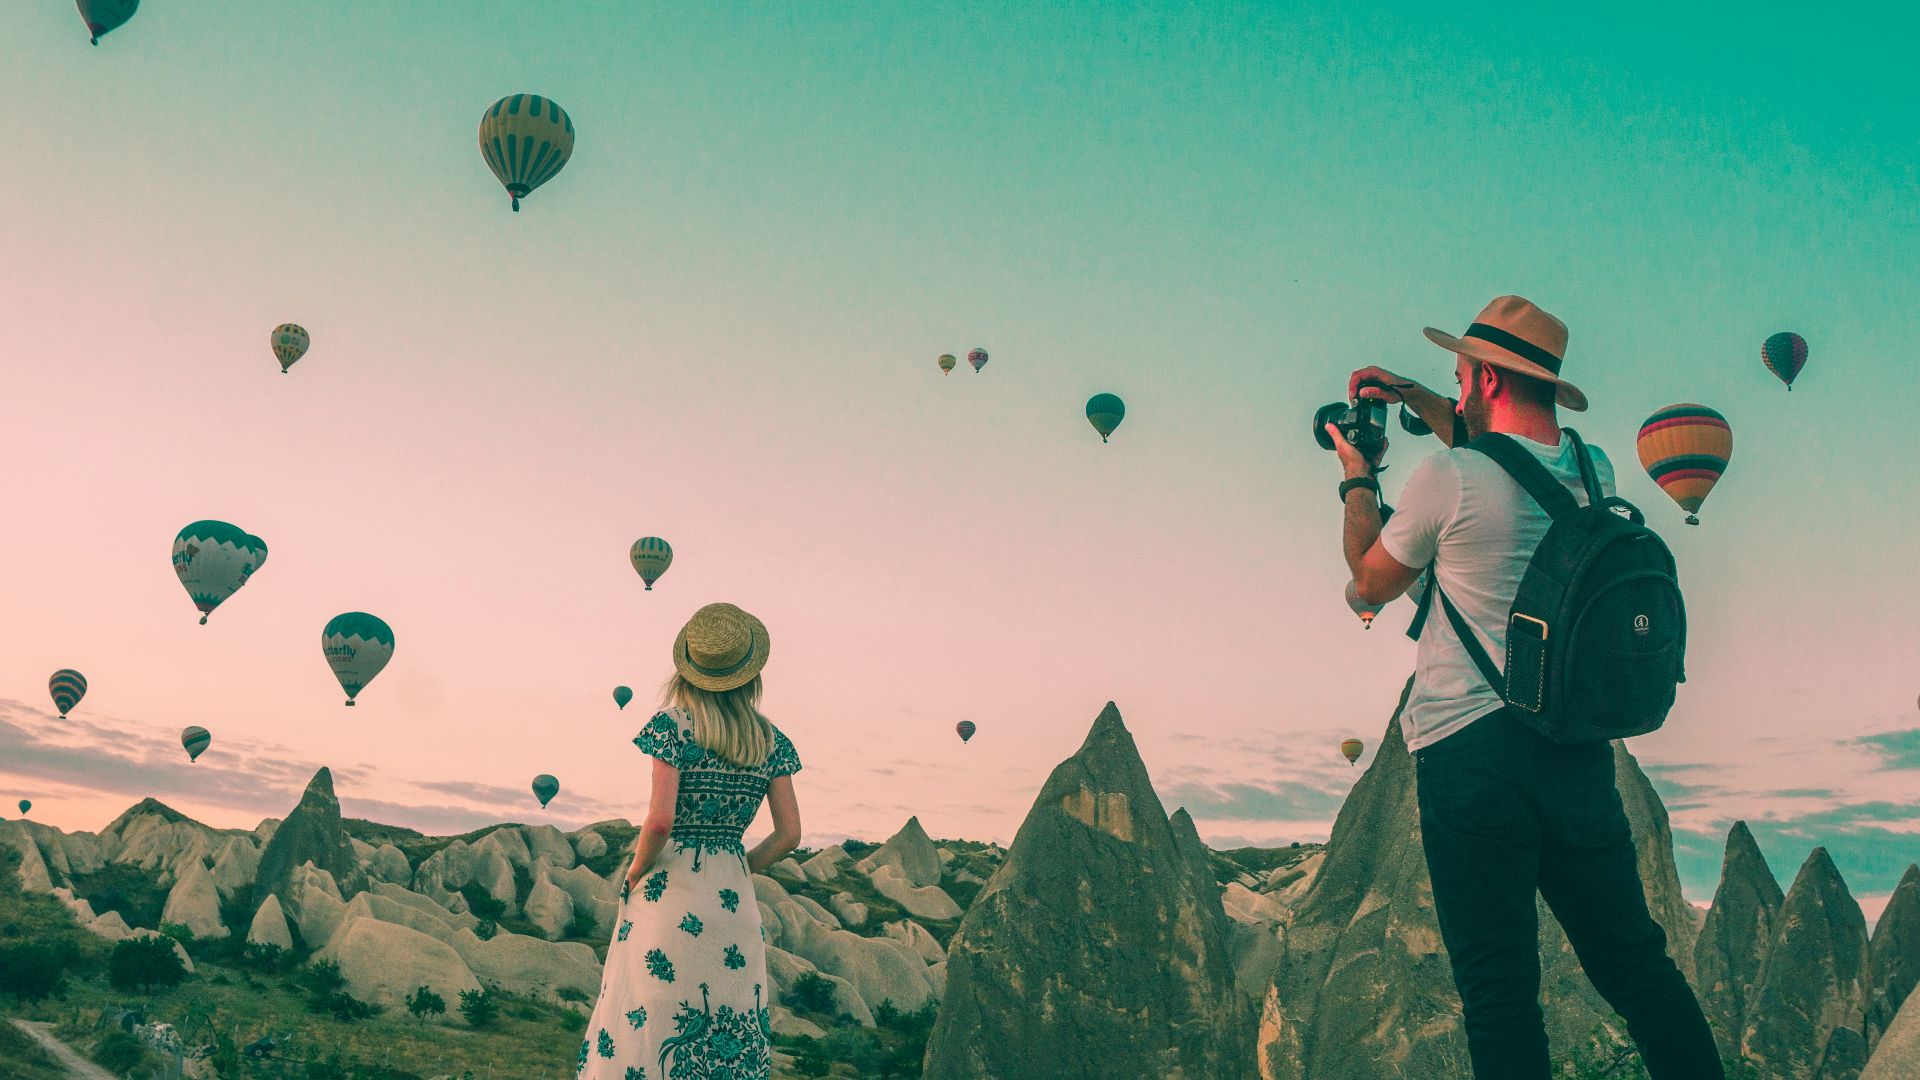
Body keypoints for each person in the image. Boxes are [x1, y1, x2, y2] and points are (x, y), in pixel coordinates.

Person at [1328, 296, 1724, 1079]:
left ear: (1486, 379)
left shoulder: (1447, 477)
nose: (1458, 388)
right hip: (1576, 751)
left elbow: (1367, 586)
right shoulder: (1593, 470)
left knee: (1500, 992)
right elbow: (1504, 454)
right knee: (1638, 968)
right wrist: (1413, 394)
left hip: (1469, 755)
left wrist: (1357, 477)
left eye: (1461, 376)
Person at [577, 602, 803, 1080]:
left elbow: (659, 822)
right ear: (749, 673)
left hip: (670, 892)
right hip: (732, 900)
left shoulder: (672, 727)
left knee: (650, 1012)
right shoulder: (772, 740)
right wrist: (742, 866)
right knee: (729, 1010)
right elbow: (790, 835)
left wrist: (636, 870)